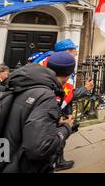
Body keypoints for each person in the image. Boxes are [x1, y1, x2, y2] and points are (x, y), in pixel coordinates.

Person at [2, 51, 76, 173]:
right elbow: (40, 148)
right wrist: (66, 128)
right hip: (22, 166)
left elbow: (26, 117)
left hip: (7, 155)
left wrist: (55, 120)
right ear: (68, 74)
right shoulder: (46, 96)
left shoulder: (27, 83)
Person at [37, 38, 93, 171]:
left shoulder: (49, 63)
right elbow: (66, 94)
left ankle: (58, 160)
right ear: (67, 52)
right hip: (57, 109)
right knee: (56, 134)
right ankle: (55, 163)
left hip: (55, 108)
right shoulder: (61, 67)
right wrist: (85, 89)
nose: (76, 54)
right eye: (74, 51)